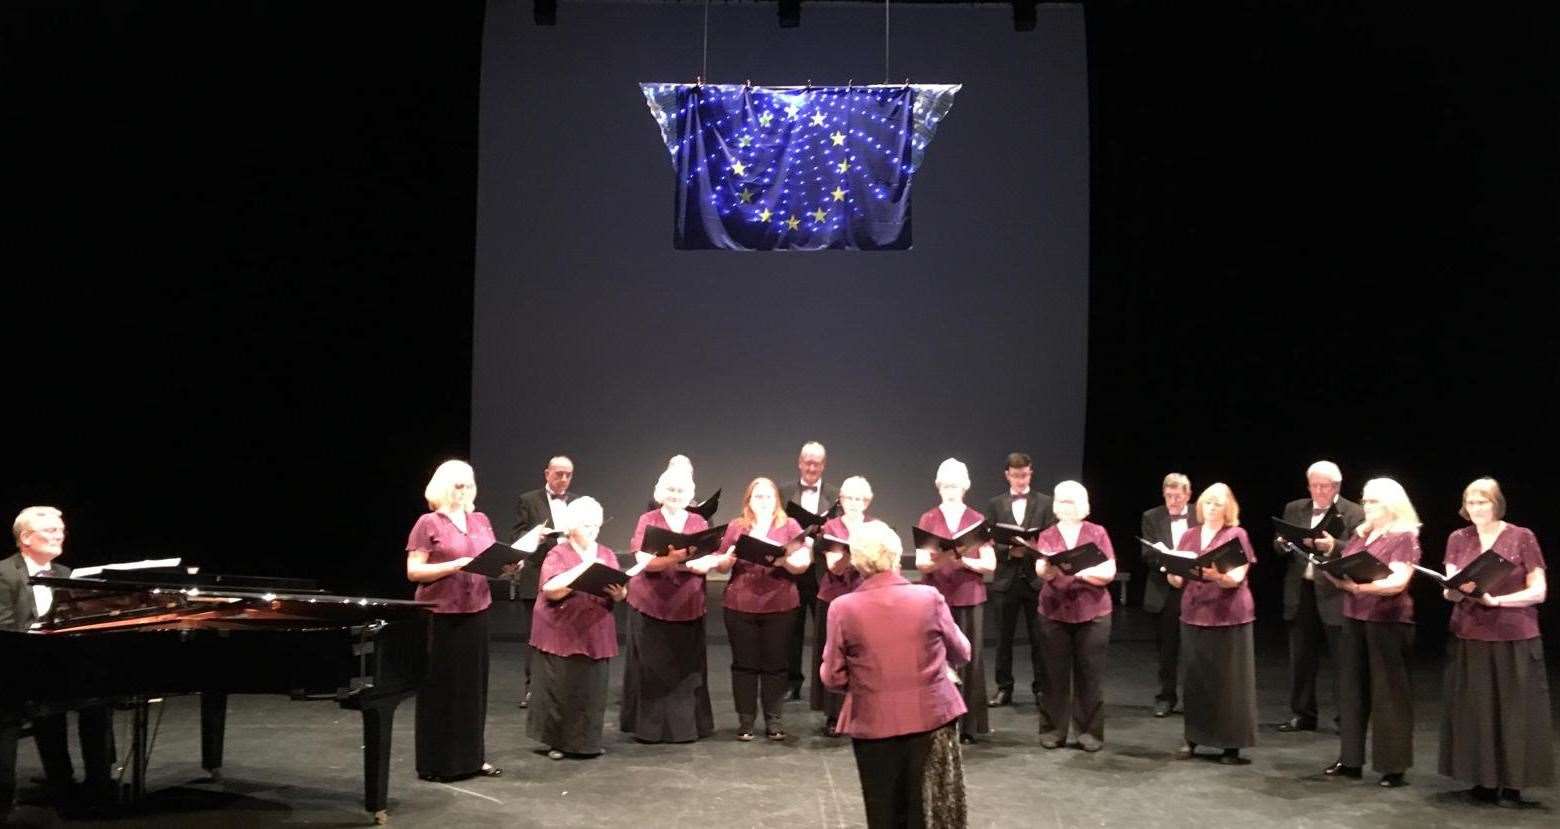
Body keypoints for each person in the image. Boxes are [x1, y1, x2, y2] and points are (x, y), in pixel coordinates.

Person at [822, 520, 969, 828]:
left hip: (873, 721)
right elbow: (963, 652)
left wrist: (868, 683)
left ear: (858, 560)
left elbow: (833, 677)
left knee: (883, 813)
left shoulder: (842, 607)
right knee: (928, 813)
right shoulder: (929, 598)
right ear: (896, 555)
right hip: (931, 718)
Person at [1437, 478, 1553, 807]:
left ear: (1496, 503)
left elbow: (1539, 591)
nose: (1476, 509)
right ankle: (1484, 781)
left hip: (1514, 633)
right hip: (1470, 633)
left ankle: (1513, 784)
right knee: (1478, 710)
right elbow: (1451, 585)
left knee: (1515, 711)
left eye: (1483, 502)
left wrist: (1499, 602)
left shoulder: (1521, 536)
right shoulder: (1458, 538)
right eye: (1470, 503)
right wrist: (1452, 589)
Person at [0, 507, 116, 817]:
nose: (59, 535)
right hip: (16, 665)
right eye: (50, 530)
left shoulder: (67, 575)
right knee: (48, 706)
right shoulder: (4, 573)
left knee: (97, 700)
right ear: (25, 537)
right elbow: (5, 628)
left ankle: (99, 784)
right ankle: (60, 783)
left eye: (61, 530)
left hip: (60, 664)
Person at [403, 460, 502, 782]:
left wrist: (507, 566)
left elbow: (489, 560)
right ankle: (438, 762)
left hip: (477, 609)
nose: (464, 490)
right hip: (440, 612)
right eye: (458, 484)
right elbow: (414, 571)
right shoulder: (427, 522)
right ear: (444, 486)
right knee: (441, 688)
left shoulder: (481, 520)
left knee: (473, 689)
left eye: (469, 484)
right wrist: (454, 566)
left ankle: (474, 758)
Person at [1320, 477, 1421, 788]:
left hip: (1387, 622)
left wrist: (1359, 586)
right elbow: (1349, 568)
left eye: (1373, 501)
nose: (1366, 506)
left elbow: (1398, 582)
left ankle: (1393, 766)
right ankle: (1350, 760)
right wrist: (1334, 574)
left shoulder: (1404, 536)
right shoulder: (1361, 535)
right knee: (1351, 690)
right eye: (1364, 501)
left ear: (1391, 504)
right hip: (1354, 616)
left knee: (1388, 694)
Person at [620, 464, 724, 743]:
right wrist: (677, 560)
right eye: (670, 490)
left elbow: (707, 562)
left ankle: (684, 729)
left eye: (681, 490)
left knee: (685, 670)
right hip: (651, 603)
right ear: (660, 493)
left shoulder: (698, 523)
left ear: (689, 494)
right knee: (653, 669)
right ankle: (650, 730)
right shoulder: (648, 520)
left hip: (687, 604)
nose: (675, 495)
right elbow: (644, 562)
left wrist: (685, 562)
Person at [1159, 483, 1257, 765]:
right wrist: (1172, 569)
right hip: (1194, 613)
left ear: (1228, 508)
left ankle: (1231, 745)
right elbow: (1177, 579)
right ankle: (1194, 738)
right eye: (1208, 503)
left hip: (1229, 615)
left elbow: (1235, 578)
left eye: (1218, 503)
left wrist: (1213, 574)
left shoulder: (1236, 534)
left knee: (1229, 681)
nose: (1212, 508)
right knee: (1196, 678)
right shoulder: (1190, 535)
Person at [528, 497, 627, 760]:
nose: (593, 530)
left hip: (595, 628)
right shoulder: (558, 553)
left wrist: (619, 593)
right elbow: (551, 590)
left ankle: (588, 741)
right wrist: (582, 573)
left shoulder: (605, 553)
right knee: (562, 687)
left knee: (592, 688)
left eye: (596, 524)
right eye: (586, 525)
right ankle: (558, 742)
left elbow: (620, 589)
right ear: (571, 527)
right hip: (562, 627)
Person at [713, 478, 810, 740]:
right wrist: (728, 558)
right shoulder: (737, 526)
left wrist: (784, 560)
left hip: (780, 604)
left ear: (776, 499)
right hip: (740, 604)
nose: (763, 501)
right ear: (749, 501)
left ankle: (773, 720)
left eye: (768, 496)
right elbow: (720, 565)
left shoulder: (789, 525)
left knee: (776, 664)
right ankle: (745, 721)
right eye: (758, 497)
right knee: (744, 664)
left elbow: (802, 564)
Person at [1275, 461, 1365, 733]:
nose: (1318, 491)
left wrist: (1334, 546)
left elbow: (1361, 549)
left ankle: (1345, 718)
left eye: (1323, 486)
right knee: (1300, 657)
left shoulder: (1354, 512)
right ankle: (1303, 714)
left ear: (1336, 487)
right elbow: (1280, 542)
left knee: (1343, 660)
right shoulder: (1295, 508)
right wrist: (1281, 543)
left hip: (1335, 591)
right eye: (1313, 486)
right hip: (1301, 590)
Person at [915, 458, 996, 743]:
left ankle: (969, 725)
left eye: (956, 485)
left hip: (969, 596)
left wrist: (964, 562)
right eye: (946, 485)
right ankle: (935, 720)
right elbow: (923, 563)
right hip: (935, 596)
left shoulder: (977, 520)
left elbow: (990, 564)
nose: (951, 490)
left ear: (966, 487)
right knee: (935, 657)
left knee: (969, 659)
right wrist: (944, 559)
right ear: (938, 487)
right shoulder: (928, 518)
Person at [1032, 481, 1116, 751]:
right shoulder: (1048, 534)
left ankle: (1088, 733)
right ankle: (1053, 731)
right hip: (1054, 611)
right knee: (1053, 675)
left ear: (1083, 504)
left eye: (1072, 502)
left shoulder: (1097, 532)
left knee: (1089, 675)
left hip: (1092, 612)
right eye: (1062, 501)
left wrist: (1079, 572)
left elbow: (1109, 572)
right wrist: (1047, 569)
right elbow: (1041, 571)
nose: (1066, 507)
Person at [983, 452, 1055, 708]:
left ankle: (1041, 688)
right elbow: (988, 539)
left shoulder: (1045, 503)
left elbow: (1052, 538)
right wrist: (1008, 551)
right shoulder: (995, 504)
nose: (1020, 480)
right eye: (1015, 475)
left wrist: (1034, 548)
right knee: (1003, 638)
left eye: (1024, 475)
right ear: (1007, 475)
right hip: (1006, 579)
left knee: (1040, 638)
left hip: (1035, 580)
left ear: (1030, 472)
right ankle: (1004, 688)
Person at [511, 455, 579, 709]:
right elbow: (516, 534)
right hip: (537, 573)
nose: (563, 479)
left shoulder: (577, 502)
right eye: (558, 473)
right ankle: (532, 689)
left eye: (568, 475)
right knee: (535, 635)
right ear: (546, 473)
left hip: (568, 576)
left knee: (567, 633)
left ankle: (562, 687)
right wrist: (534, 536)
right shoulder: (529, 500)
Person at [811, 475, 871, 736]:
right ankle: (834, 715)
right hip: (834, 598)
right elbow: (834, 565)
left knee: (865, 655)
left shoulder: (876, 526)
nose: (854, 503)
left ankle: (865, 711)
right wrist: (854, 552)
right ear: (841, 500)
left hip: (866, 599)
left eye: (860, 498)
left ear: (867, 502)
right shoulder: (831, 527)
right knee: (835, 654)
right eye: (849, 498)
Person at [779, 441, 837, 701]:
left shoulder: (836, 496)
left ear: (823, 465)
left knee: (825, 630)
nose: (812, 467)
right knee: (791, 628)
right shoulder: (783, 492)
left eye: (817, 463)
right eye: (808, 461)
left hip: (823, 569)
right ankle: (792, 682)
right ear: (799, 462)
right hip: (793, 569)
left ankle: (824, 682)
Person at [1140, 473, 1195, 718]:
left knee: (1196, 648)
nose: (1173, 501)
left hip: (1195, 589)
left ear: (1188, 495)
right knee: (1167, 648)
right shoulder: (1152, 517)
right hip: (1165, 589)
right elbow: (1148, 553)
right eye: (1169, 496)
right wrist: (1169, 568)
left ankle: (1196, 698)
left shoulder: (1200, 514)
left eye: (1178, 496)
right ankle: (1165, 696)